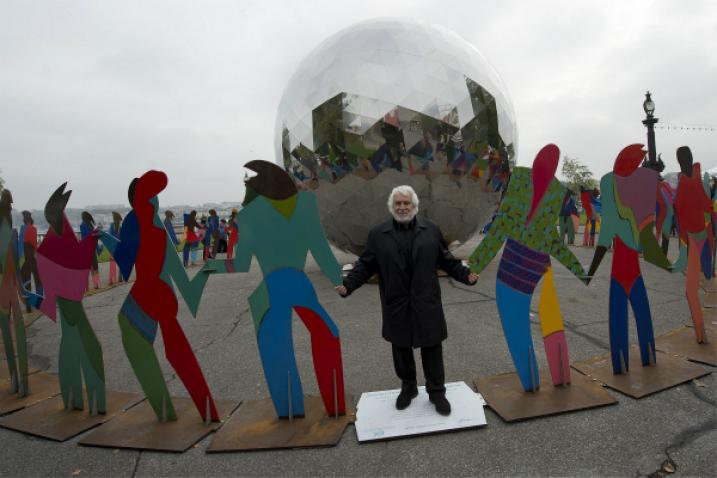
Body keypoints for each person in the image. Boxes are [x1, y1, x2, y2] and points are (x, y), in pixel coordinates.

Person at [336, 185, 479, 416]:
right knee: (401, 348)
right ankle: (409, 388)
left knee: (432, 347)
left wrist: (466, 276)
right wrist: (348, 285)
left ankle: (437, 392)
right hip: (396, 302)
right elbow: (365, 265)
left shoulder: (431, 230)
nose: (402, 207)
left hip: (426, 301)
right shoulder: (378, 234)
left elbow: (447, 261)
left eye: (406, 203)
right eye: (398, 204)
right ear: (392, 207)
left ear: (414, 206)